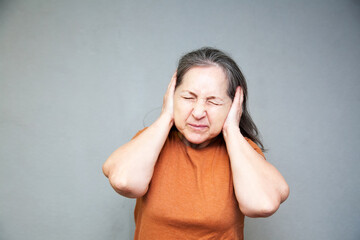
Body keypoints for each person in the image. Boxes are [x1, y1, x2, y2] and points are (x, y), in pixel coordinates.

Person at [102, 47, 289, 239]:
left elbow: (262, 204)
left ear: (234, 105)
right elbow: (124, 182)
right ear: (172, 96)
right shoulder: (152, 140)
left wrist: (231, 129)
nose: (198, 112)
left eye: (213, 102)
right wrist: (166, 117)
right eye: (188, 97)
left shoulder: (242, 151)